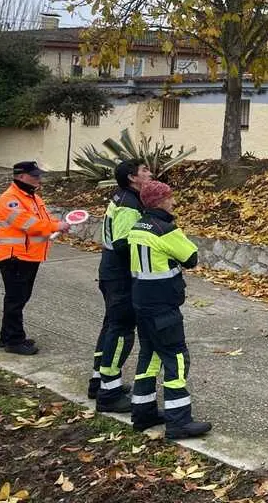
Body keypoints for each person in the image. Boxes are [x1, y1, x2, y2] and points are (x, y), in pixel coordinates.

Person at [128, 180, 211, 439]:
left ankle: (143, 413)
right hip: (163, 305)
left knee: (149, 357)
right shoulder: (165, 229)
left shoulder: (137, 226)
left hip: (141, 302)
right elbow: (192, 258)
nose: (173, 202)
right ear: (161, 201)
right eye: (170, 198)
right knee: (176, 358)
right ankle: (179, 421)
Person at [89, 159, 152, 412]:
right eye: (144, 171)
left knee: (111, 326)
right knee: (122, 330)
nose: (150, 173)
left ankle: (99, 380)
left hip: (111, 272)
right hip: (121, 276)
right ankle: (109, 393)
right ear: (132, 178)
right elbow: (125, 242)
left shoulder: (123, 197)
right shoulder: (128, 204)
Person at [0, 161, 69, 355]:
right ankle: (14, 340)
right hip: (15, 257)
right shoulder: (10, 199)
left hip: (28, 256)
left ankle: (8, 336)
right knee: (16, 298)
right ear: (21, 176)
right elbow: (29, 224)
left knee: (19, 297)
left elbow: (44, 220)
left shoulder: (32, 197)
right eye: (35, 175)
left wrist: (59, 223)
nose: (39, 178)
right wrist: (56, 227)